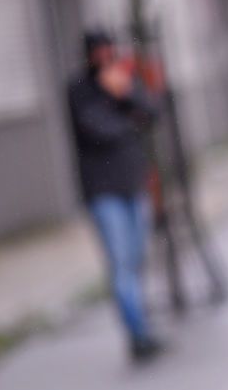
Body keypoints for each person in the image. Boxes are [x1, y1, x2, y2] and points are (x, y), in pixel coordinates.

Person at [67, 30, 163, 362]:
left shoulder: (123, 83)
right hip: (103, 191)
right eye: (99, 51)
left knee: (136, 261)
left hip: (133, 184)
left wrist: (124, 97)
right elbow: (98, 130)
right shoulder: (79, 91)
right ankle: (138, 335)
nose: (105, 57)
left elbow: (151, 113)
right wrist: (127, 119)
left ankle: (142, 328)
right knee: (121, 264)